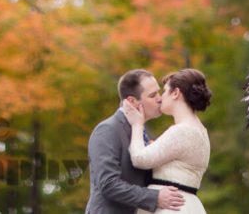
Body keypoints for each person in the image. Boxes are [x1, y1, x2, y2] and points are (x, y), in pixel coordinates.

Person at [85, 69, 186, 213]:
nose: (160, 99)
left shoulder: (143, 132)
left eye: (159, 92)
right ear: (132, 101)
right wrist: (155, 197)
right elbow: (108, 184)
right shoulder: (107, 130)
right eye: (152, 95)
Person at [121, 69, 211, 214]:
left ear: (175, 93)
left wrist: (137, 125)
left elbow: (139, 159)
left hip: (171, 208)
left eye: (164, 91)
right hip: (188, 204)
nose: (161, 97)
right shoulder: (200, 130)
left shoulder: (182, 131)